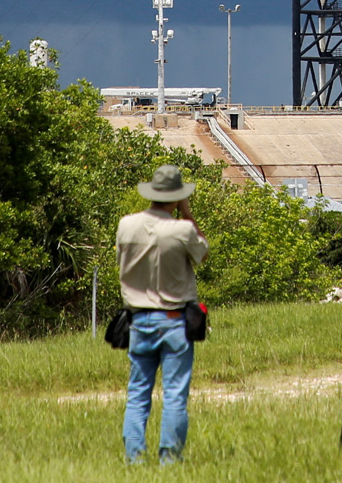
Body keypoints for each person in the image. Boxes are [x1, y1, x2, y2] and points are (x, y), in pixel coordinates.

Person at [117, 164, 209, 465]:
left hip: (138, 320)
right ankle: (170, 458)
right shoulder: (182, 229)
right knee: (174, 395)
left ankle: (134, 458)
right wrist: (187, 212)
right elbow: (202, 253)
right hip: (173, 321)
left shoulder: (126, 225)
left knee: (138, 393)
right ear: (177, 196)